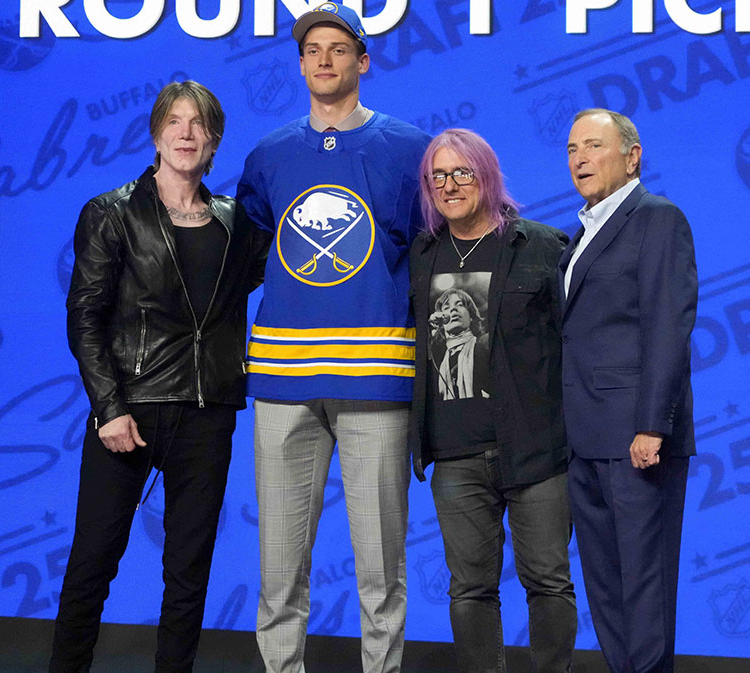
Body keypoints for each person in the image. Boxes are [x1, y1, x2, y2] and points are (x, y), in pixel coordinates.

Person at [234, 3, 430, 672]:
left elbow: (431, 255)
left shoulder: (409, 148)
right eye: (312, 49)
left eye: (339, 48)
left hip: (375, 378)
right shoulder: (268, 155)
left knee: (381, 569)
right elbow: (250, 254)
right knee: (278, 570)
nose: (323, 59)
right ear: (300, 65)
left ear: (363, 61)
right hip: (283, 381)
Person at [53, 81, 262, 673]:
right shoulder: (112, 212)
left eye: (199, 123)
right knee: (93, 562)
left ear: (214, 139)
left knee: (189, 571)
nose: (186, 133)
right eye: (175, 121)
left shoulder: (236, 223)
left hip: (207, 414)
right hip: (130, 412)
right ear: (155, 133)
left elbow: (258, 284)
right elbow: (84, 317)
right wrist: (108, 407)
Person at [409, 128, 576, 673]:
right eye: (438, 176)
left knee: (548, 582)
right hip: (454, 454)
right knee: (469, 590)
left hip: (536, 450)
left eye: (462, 172)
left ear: (486, 175)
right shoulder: (420, 255)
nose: (450, 185)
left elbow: (577, 344)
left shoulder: (542, 246)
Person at [558, 108, 698, 673]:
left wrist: (652, 425)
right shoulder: (581, 233)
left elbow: (668, 326)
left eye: (594, 145)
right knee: (606, 586)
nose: (580, 158)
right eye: (572, 149)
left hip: (637, 439)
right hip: (584, 438)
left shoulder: (657, 218)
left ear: (632, 157)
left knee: (644, 583)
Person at [428, 287, 489, 400]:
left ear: (471, 316)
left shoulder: (485, 343)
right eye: (446, 307)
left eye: (459, 304)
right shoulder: (439, 358)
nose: (453, 309)